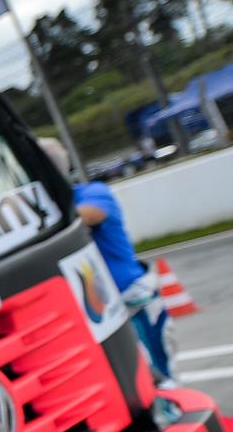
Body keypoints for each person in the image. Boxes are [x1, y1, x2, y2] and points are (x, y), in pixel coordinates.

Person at [43, 137, 176, 380]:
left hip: (132, 299)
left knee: (158, 376)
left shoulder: (92, 193)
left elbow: (90, 215)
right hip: (97, 310)